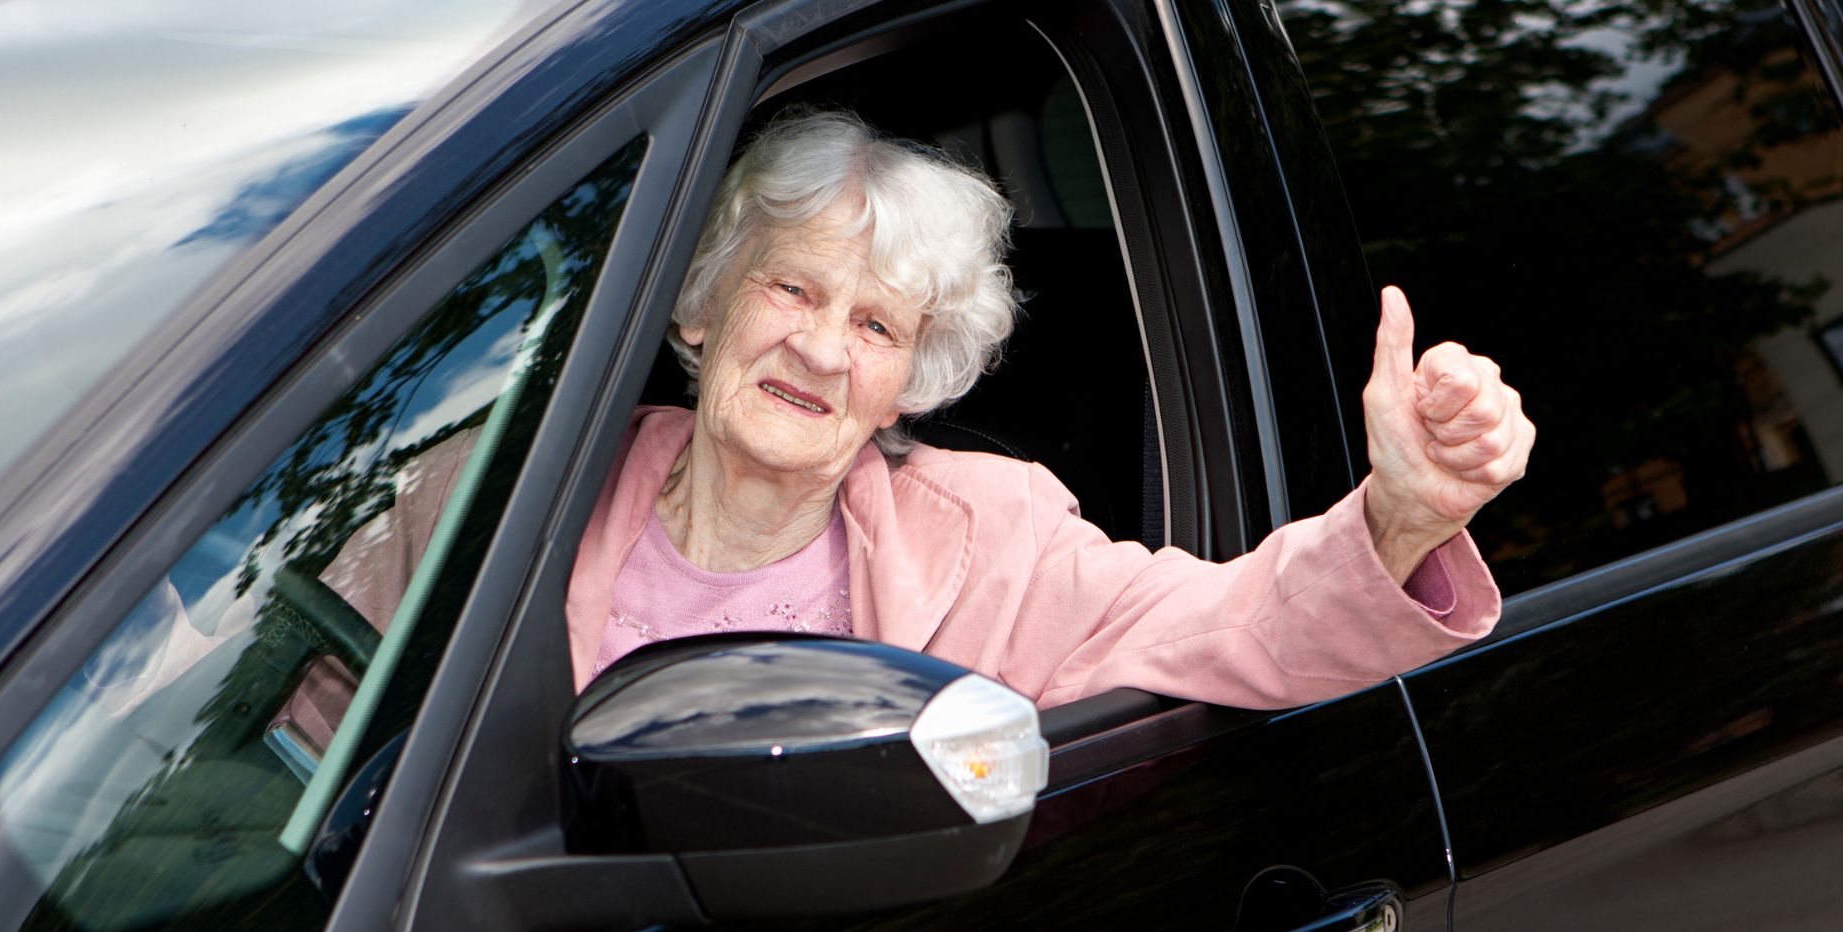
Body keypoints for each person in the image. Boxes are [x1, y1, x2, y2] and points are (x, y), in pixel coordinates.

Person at [569, 108, 1534, 710]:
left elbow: (1236, 623)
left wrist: (1401, 518)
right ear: (702, 303)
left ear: (910, 379)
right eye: (790, 289)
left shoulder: (995, 538)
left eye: (875, 326)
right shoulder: (505, 493)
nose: (821, 350)